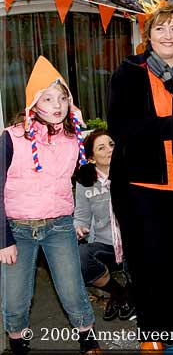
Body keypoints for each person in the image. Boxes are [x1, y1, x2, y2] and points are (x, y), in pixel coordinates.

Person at [108, 1, 173, 350]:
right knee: (149, 261)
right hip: (141, 187)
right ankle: (152, 332)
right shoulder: (130, 71)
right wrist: (171, 124)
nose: (168, 35)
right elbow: (121, 128)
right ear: (148, 34)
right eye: (160, 28)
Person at [0, 56, 100, 354]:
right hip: (17, 230)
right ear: (34, 102)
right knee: (16, 296)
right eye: (48, 98)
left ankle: (88, 339)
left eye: (62, 98)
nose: (57, 105)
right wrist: (3, 238)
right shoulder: (11, 138)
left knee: (72, 289)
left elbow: (84, 179)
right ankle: (17, 343)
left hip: (59, 226)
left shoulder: (73, 140)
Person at [74, 129, 135, 322]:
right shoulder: (85, 182)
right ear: (91, 158)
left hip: (134, 242)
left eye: (111, 145)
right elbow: (81, 216)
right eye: (101, 148)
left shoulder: (132, 173)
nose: (109, 150)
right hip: (105, 244)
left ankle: (131, 293)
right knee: (81, 256)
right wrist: (78, 227)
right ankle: (117, 292)